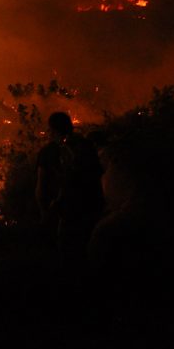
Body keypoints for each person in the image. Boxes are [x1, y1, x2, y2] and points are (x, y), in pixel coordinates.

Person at [36, 111, 105, 266]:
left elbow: (41, 185)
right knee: (89, 251)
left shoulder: (48, 152)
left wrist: (43, 212)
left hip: (66, 210)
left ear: (52, 130)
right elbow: (98, 173)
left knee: (66, 253)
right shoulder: (86, 145)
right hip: (92, 207)